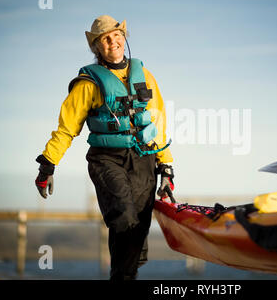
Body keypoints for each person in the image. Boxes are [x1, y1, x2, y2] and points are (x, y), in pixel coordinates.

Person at [34, 15, 175, 280]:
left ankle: (124, 274)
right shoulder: (88, 83)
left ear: (124, 37)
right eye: (105, 39)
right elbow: (66, 128)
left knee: (138, 232)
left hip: (144, 160)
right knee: (123, 217)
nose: (113, 42)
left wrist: (166, 166)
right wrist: (47, 165)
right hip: (107, 160)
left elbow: (158, 122)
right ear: (97, 48)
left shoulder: (144, 75)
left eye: (117, 35)